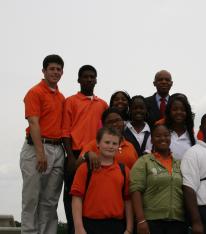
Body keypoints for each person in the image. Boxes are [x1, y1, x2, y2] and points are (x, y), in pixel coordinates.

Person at [20, 54, 65, 234]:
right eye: (52, 69)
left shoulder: (61, 97)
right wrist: (40, 153)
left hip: (58, 148)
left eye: (58, 69)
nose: (55, 72)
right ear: (44, 71)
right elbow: (33, 122)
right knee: (31, 199)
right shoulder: (35, 92)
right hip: (37, 147)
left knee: (50, 201)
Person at [62, 64, 108, 233]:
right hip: (75, 154)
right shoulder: (70, 101)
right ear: (79, 80)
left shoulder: (102, 104)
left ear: (96, 80)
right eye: (86, 76)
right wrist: (70, 157)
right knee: (73, 196)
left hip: (97, 155)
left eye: (92, 77)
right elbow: (65, 131)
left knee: (92, 196)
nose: (89, 79)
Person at [71, 127, 133, 234]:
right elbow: (77, 198)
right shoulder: (85, 168)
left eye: (114, 143)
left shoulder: (124, 170)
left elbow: (128, 200)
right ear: (98, 143)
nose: (110, 146)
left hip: (116, 225)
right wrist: (78, 228)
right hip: (89, 225)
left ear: (118, 146)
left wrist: (129, 229)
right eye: (107, 142)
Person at [130, 125, 186, 234]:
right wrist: (141, 220)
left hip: (178, 223)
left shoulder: (179, 164)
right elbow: (135, 190)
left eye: (166, 135)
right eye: (158, 136)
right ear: (151, 140)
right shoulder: (144, 161)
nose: (163, 138)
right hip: (152, 222)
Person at [157, 96, 196, 160]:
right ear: (169, 112)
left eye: (182, 110)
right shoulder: (160, 134)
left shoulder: (192, 137)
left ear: (187, 113)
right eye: (175, 109)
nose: (179, 112)